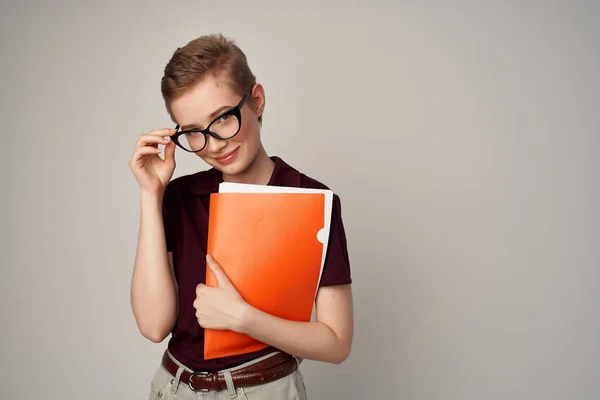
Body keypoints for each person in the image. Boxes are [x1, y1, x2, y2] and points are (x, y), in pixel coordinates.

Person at [129, 33, 353, 400]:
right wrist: (150, 194)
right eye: (194, 133)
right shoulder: (180, 198)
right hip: (173, 389)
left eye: (222, 119)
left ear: (257, 101)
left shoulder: (313, 200)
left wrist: (242, 317)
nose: (214, 144)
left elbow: (336, 342)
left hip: (264, 390)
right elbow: (154, 326)